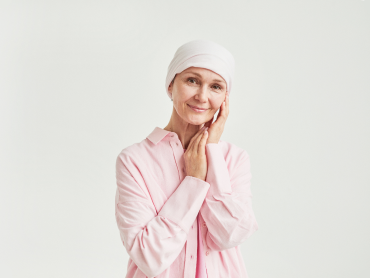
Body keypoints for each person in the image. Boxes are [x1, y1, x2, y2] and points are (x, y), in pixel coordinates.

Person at [115, 39, 259, 278]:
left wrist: (211, 151)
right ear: (171, 85)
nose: (202, 96)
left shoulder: (234, 159)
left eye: (216, 87)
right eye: (192, 80)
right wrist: (193, 182)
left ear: (225, 98)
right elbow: (149, 256)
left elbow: (231, 235)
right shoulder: (134, 160)